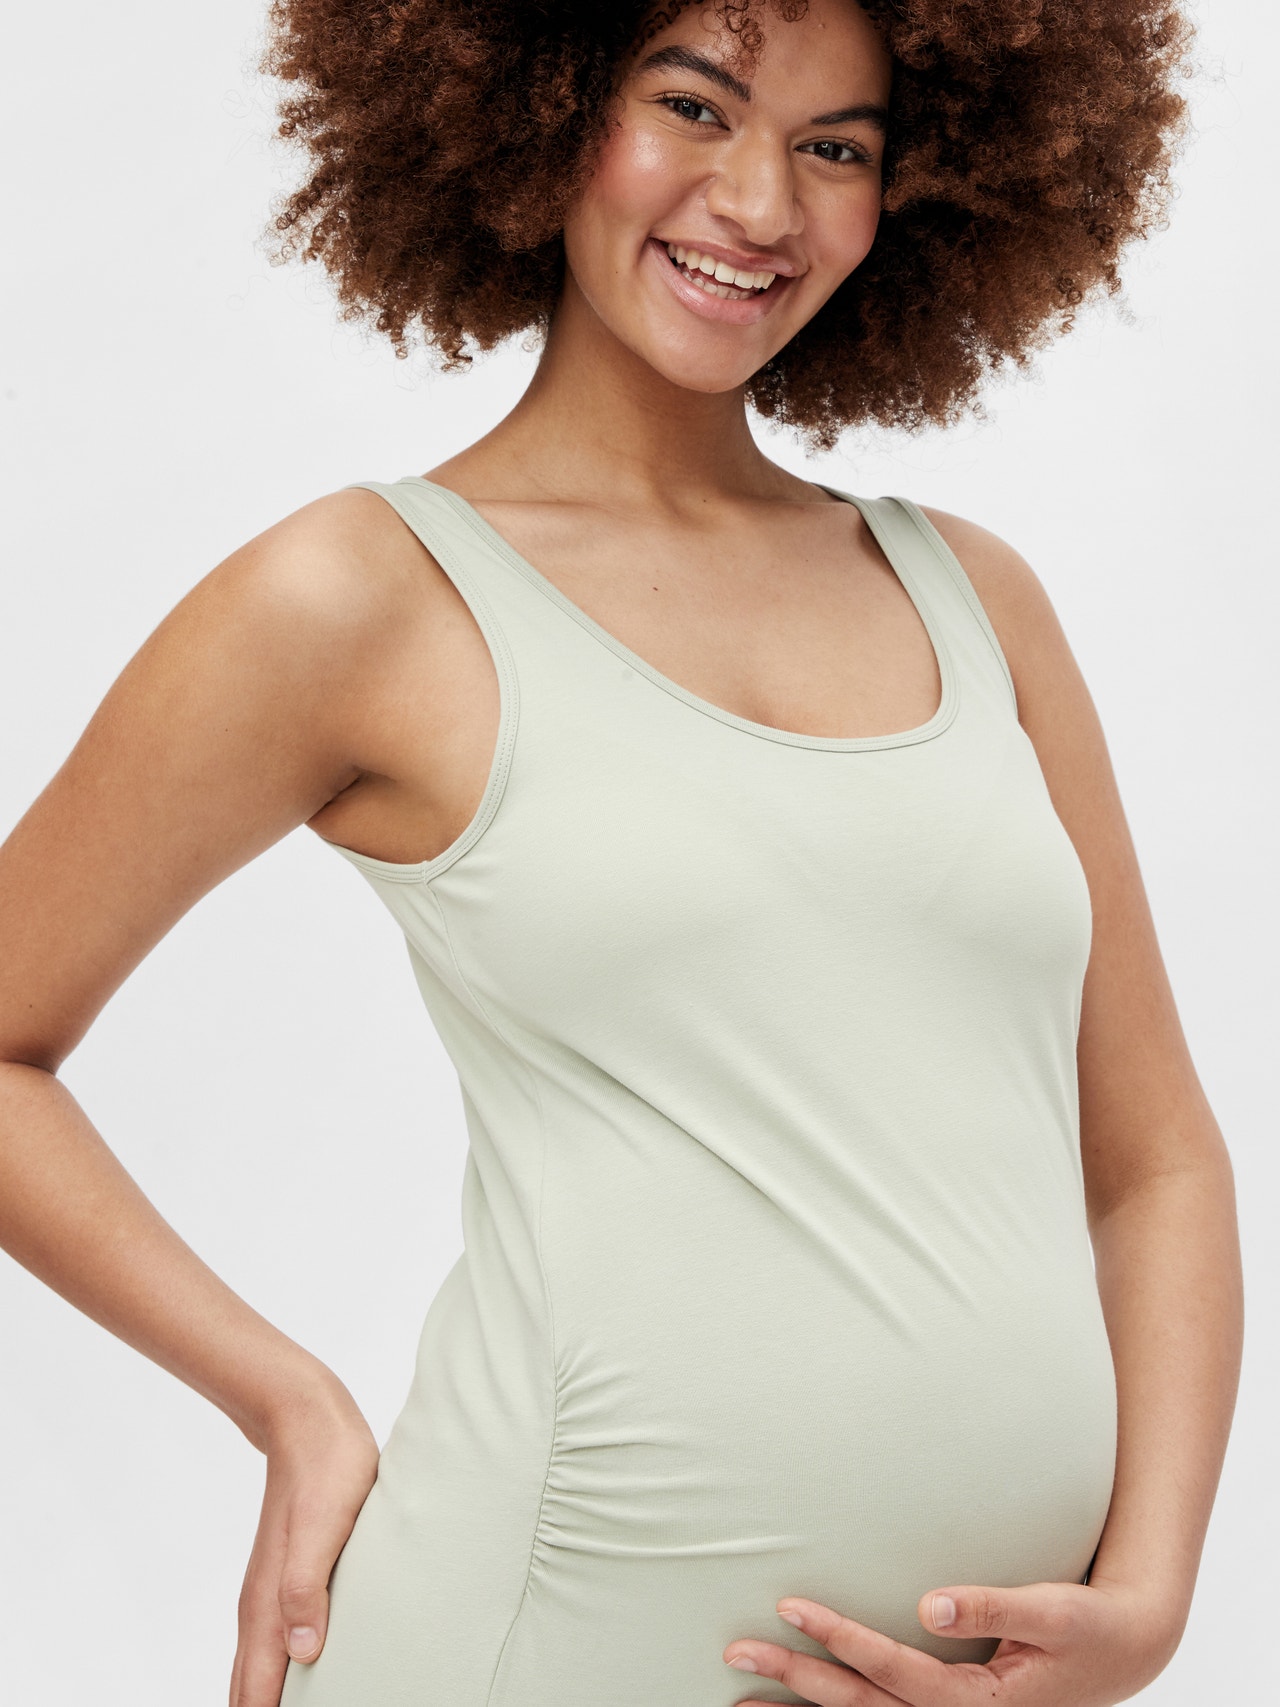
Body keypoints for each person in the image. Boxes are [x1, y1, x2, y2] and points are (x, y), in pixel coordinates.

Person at [0, 1, 1244, 1704]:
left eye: (837, 146)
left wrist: (1150, 1598)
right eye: (694, 104)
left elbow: (1154, 1162)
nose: (761, 204)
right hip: (541, 1642)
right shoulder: (361, 599)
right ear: (544, 106)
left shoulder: (972, 597)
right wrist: (284, 1400)